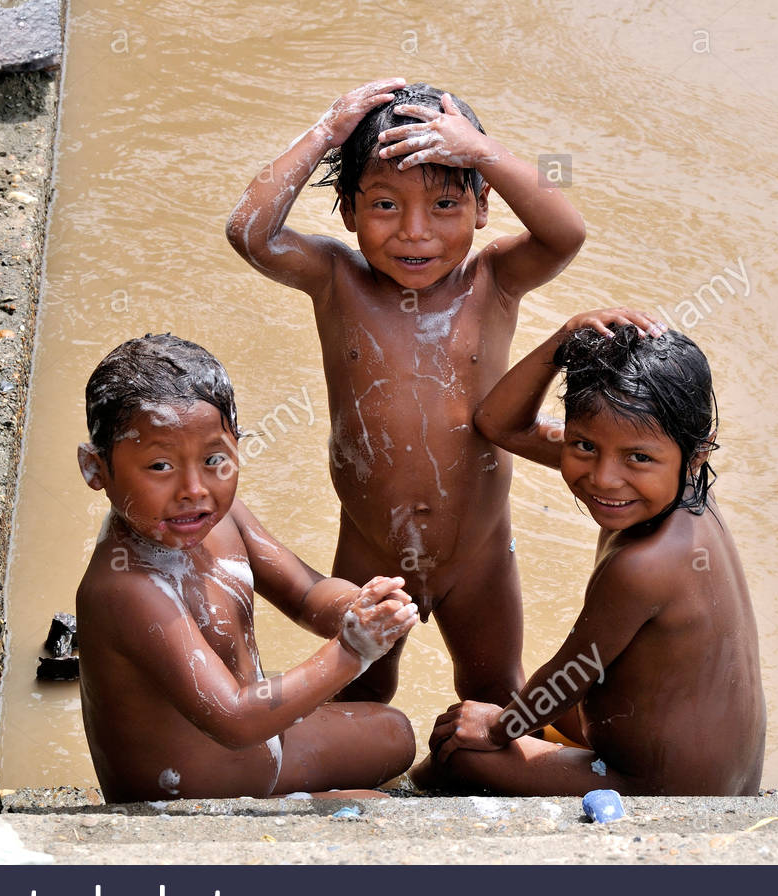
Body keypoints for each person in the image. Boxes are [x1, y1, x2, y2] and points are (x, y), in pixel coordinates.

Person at [225, 78, 585, 706]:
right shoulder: (338, 280)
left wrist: (481, 151)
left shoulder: (494, 278)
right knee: (360, 699)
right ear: (347, 211)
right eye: (385, 206)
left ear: (482, 206)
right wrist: (326, 133)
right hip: (371, 545)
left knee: (495, 696)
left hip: (479, 553)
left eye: (445, 206)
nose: (415, 233)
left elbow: (566, 234)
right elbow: (250, 234)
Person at [412, 309, 765, 796]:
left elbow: (571, 675)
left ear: (697, 453)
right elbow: (498, 423)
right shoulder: (678, 487)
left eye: (637, 458)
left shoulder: (645, 564)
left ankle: (403, 793)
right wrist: (563, 343)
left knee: (459, 753)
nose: (603, 479)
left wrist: (496, 729)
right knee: (521, 719)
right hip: (712, 768)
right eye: (583, 446)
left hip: (660, 787)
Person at [74, 334, 418, 802]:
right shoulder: (125, 588)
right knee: (374, 813)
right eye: (159, 465)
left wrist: (361, 608)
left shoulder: (221, 518)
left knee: (397, 735)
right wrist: (353, 651)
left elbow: (304, 593)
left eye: (215, 459)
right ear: (96, 469)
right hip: (194, 799)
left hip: (259, 746)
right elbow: (234, 720)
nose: (194, 488)